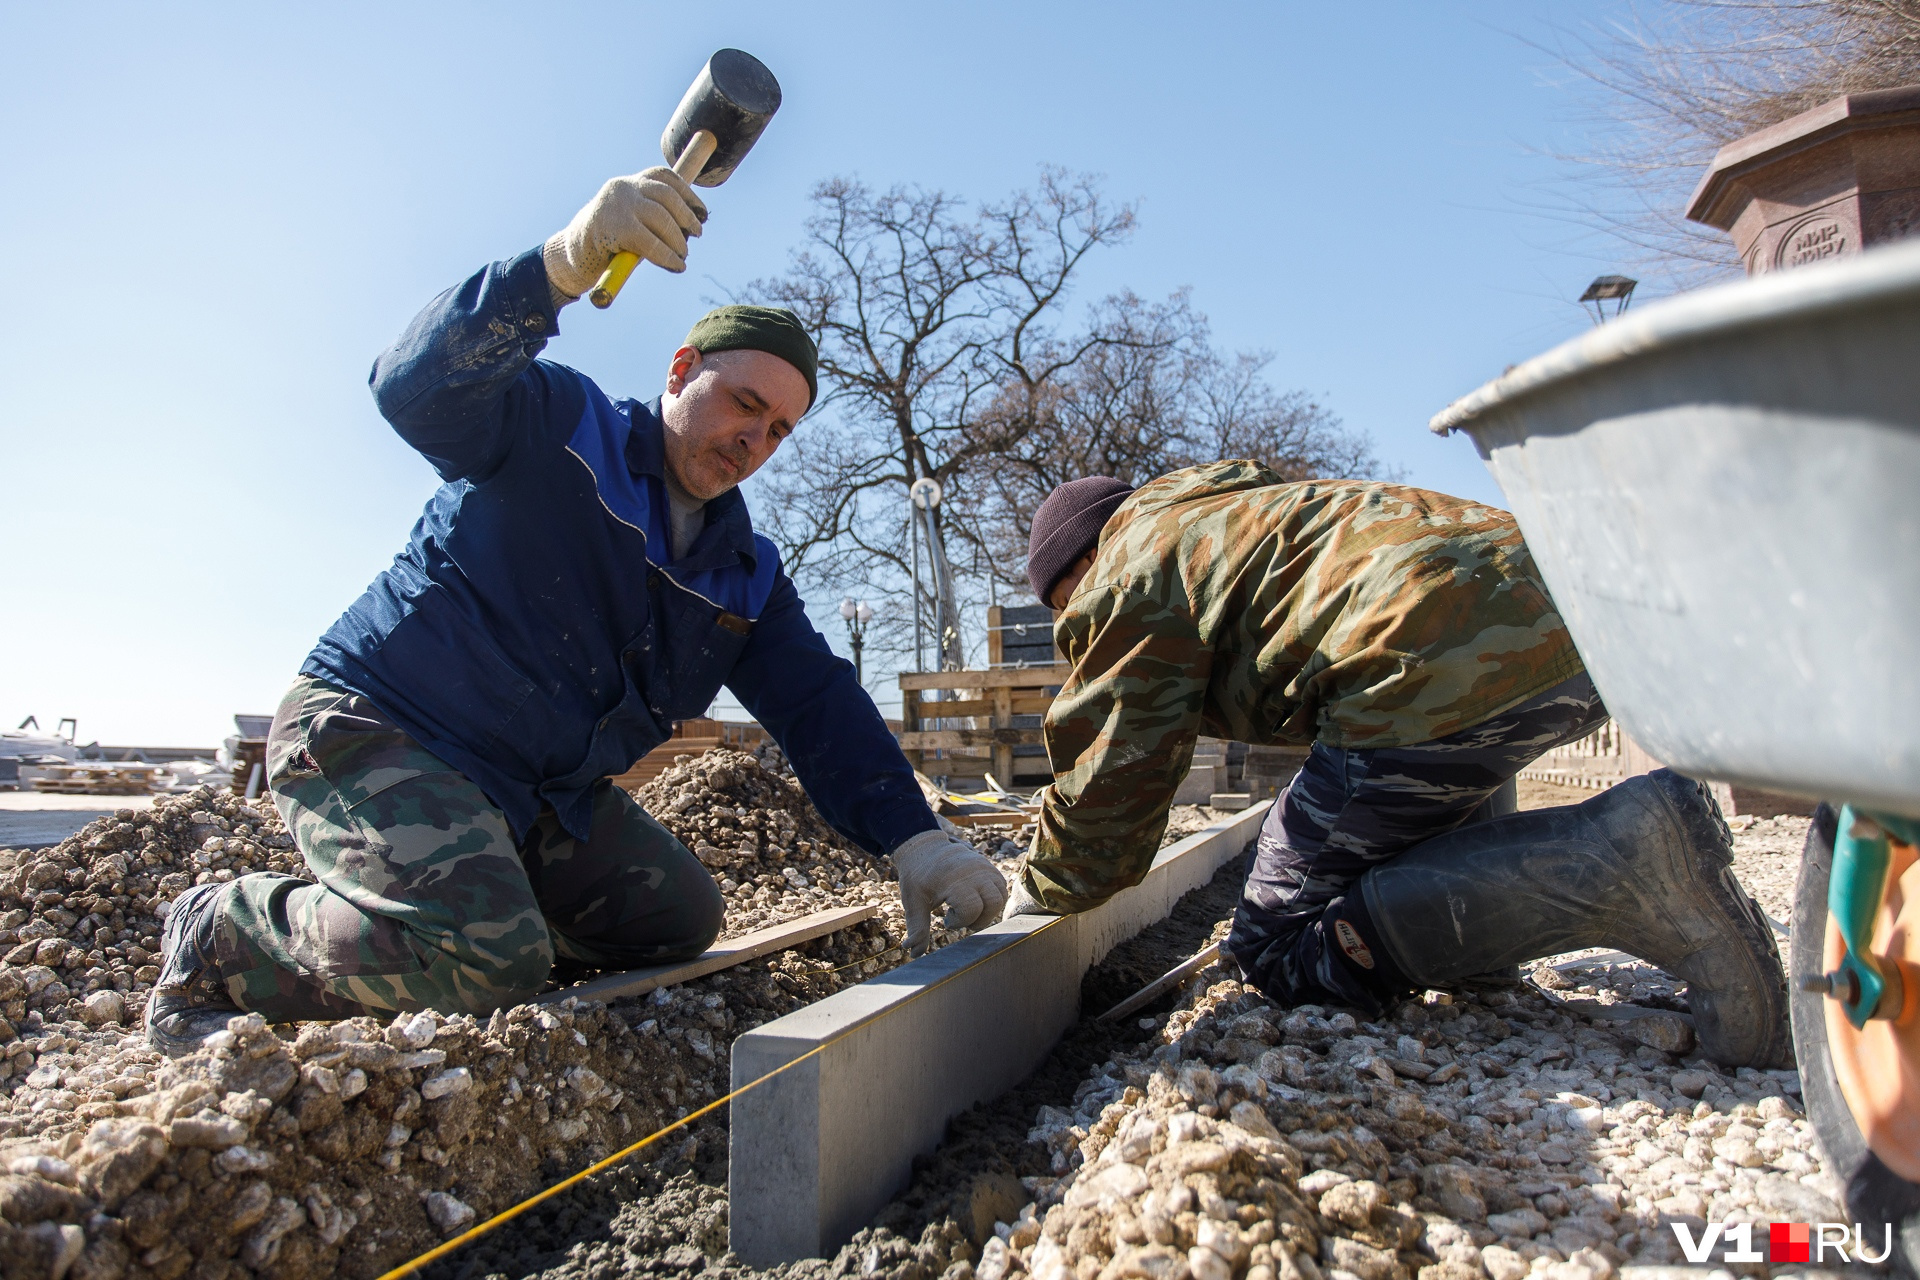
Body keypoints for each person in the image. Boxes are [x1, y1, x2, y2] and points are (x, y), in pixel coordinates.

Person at [146, 164, 1006, 1054]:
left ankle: (462, 919)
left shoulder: (741, 574)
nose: (755, 441)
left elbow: (819, 706)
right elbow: (413, 389)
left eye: (779, 429)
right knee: (487, 961)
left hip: (528, 793)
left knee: (679, 918)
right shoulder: (559, 428)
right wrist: (560, 264)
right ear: (682, 370)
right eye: (745, 404)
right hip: (375, 729)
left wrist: (917, 838)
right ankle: (229, 930)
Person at [1011, 462, 1789, 1067]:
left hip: (1426, 675)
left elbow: (1115, 783)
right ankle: (1483, 938)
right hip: (1580, 634)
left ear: (1077, 565)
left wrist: (1038, 890)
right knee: (1403, 804)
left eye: (1062, 612)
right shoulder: (1234, 513)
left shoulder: (1127, 569)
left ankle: (1621, 859)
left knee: (1274, 946)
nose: (1072, 632)